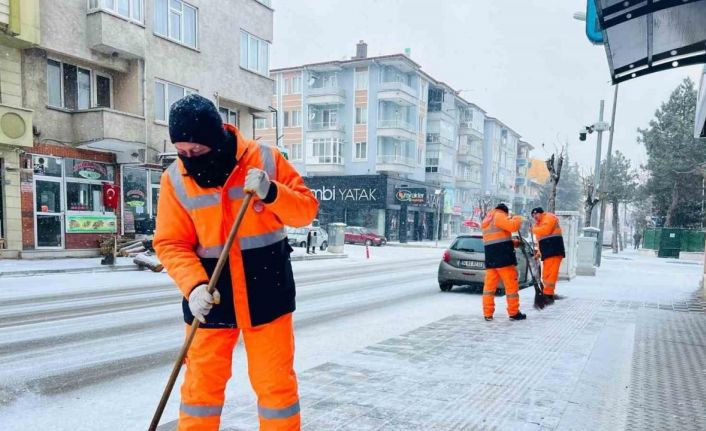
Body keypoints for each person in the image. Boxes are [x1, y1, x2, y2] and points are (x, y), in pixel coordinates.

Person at [154, 94, 318, 431]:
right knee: (200, 393)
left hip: (267, 292)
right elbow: (171, 243)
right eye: (181, 151)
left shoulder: (265, 160)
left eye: (195, 151)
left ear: (214, 140)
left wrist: (271, 192)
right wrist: (193, 286)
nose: (188, 159)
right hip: (210, 298)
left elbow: (305, 211)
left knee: (276, 388)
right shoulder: (174, 179)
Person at [481, 203, 526, 321]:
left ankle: (487, 313)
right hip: (503, 258)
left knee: (489, 288)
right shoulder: (499, 215)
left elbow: (497, 238)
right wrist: (516, 218)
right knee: (511, 286)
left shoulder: (487, 219)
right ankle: (514, 312)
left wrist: (513, 243)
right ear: (504, 211)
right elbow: (513, 227)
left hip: (491, 258)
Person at [531, 207, 566, 304]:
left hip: (555, 249)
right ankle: (548, 292)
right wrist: (538, 252)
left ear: (540, 213)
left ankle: (548, 295)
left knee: (551, 273)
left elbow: (546, 230)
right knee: (546, 274)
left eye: (535, 214)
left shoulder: (549, 217)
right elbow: (540, 241)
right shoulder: (538, 225)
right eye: (533, 216)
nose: (534, 217)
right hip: (547, 252)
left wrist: (533, 229)